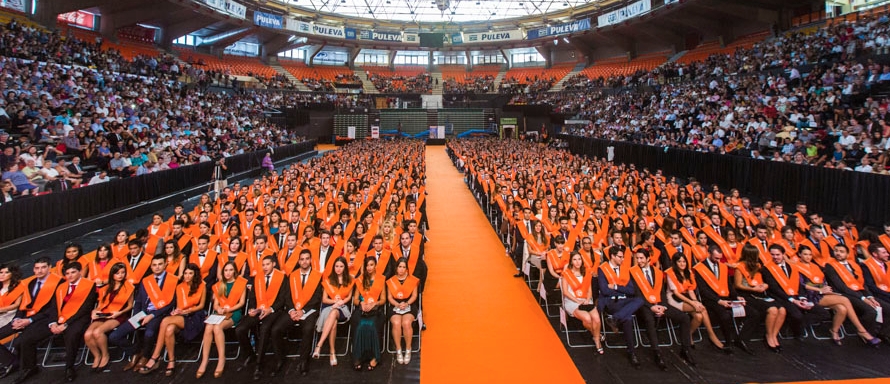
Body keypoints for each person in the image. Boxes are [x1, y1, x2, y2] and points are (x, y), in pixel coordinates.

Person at [14, 262, 96, 383]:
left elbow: (85, 309)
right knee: (28, 338)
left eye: (73, 272)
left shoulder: (89, 285)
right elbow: (54, 307)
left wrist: (66, 324)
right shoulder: (61, 287)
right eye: (67, 273)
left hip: (77, 319)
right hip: (58, 319)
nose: (70, 276)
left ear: (79, 272)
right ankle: (29, 368)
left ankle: (69, 368)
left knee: (72, 335)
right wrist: (52, 323)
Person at [794, 246, 881, 346]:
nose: (808, 257)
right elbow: (802, 284)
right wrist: (820, 289)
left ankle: (834, 331)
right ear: (800, 255)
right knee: (844, 299)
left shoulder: (815, 266)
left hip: (822, 292)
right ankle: (861, 330)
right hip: (809, 295)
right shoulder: (796, 267)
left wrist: (825, 289)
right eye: (805, 254)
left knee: (842, 309)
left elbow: (822, 282)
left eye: (810, 254)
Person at [109, 254, 175, 372]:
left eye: (160, 264)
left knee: (149, 334)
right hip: (143, 313)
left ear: (166, 264)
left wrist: (152, 315)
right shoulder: (146, 280)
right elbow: (138, 301)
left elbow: (170, 304)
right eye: (154, 265)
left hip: (158, 314)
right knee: (114, 336)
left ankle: (145, 356)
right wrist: (136, 315)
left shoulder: (172, 280)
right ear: (151, 266)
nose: (157, 267)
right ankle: (135, 351)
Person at [630, 249, 695, 368]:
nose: (639, 261)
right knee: (650, 320)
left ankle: (685, 350)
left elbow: (662, 292)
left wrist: (663, 306)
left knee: (684, 318)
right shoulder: (633, 272)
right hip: (643, 305)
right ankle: (657, 353)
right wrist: (652, 307)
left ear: (648, 258)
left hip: (660, 304)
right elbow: (637, 294)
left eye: (641, 258)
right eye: (637, 258)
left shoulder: (658, 272)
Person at [0, 257, 63, 378]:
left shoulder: (58, 283)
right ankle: (12, 362)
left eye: (43, 267)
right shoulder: (31, 283)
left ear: (50, 268)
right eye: (37, 268)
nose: (39, 271)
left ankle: (28, 369)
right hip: (25, 318)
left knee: (22, 341)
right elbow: (23, 306)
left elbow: (52, 309)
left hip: (45, 319)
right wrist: (17, 319)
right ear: (33, 269)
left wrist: (29, 320)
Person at [139, 264, 206, 376]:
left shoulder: (202, 285)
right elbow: (179, 306)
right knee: (169, 329)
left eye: (190, 273)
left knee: (165, 321)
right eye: (185, 273)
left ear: (195, 275)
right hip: (182, 316)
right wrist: (178, 311)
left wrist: (187, 311)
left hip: (195, 316)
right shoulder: (179, 287)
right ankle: (171, 361)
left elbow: (201, 306)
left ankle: (155, 357)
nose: (187, 276)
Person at [822, 244, 890, 344]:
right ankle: (867, 335)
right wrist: (863, 298)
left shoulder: (853, 264)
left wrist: (869, 296)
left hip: (860, 292)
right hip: (844, 294)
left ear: (847, 254)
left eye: (841, 251)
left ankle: (882, 333)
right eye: (836, 251)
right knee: (871, 311)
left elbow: (862, 284)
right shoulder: (830, 266)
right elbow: (841, 287)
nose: (838, 253)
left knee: (887, 308)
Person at [694, 245, 754, 355]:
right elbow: (703, 290)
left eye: (720, 258)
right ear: (709, 254)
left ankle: (741, 339)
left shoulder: (722, 266)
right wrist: (719, 301)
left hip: (726, 297)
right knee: (725, 315)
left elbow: (729, 285)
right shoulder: (699, 268)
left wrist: (736, 297)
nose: (718, 260)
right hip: (711, 300)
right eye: (716, 258)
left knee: (753, 313)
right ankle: (728, 342)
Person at [761, 244, 830, 341]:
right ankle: (798, 332)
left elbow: (799, 285)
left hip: (797, 296)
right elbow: (774, 289)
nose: (775, 257)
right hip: (782, 297)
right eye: (773, 255)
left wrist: (803, 298)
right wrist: (793, 300)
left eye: (778, 255)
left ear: (783, 254)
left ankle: (796, 325)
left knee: (824, 313)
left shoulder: (792, 266)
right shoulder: (767, 269)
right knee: (797, 315)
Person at [270, 249, 322, 376]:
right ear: (299, 261)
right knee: (276, 329)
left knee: (308, 329)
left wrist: (303, 311)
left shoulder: (317, 276)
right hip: (292, 310)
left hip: (309, 310)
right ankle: (280, 359)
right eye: (302, 259)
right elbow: (287, 296)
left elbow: (317, 297)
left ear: (310, 260)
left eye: (307, 258)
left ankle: (303, 361)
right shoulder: (292, 275)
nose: (304, 261)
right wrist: (292, 310)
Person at [235, 255, 288, 380]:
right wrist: (252, 308)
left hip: (274, 311)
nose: (265, 267)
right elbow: (252, 296)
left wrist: (271, 309)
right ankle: (250, 355)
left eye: (267, 264)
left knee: (264, 329)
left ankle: (259, 364)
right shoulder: (257, 277)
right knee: (240, 329)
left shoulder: (281, 277)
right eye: (263, 265)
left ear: (273, 264)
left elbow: (283, 299)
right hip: (259, 310)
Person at [196, 262, 247, 379]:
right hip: (220, 312)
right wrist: (218, 308)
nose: (228, 273)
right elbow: (215, 304)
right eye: (225, 270)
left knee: (217, 327)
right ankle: (205, 360)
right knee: (209, 327)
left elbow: (242, 303)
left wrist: (228, 309)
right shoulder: (220, 284)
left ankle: (221, 359)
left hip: (234, 312)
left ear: (234, 271)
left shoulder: (241, 284)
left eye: (230, 270)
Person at [665, 252, 724, 349]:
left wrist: (696, 301)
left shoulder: (688, 272)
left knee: (699, 316)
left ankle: (688, 334)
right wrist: (693, 303)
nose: (682, 264)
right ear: (675, 263)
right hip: (674, 299)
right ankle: (712, 336)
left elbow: (691, 290)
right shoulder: (670, 273)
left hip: (687, 297)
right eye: (679, 261)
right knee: (703, 309)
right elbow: (676, 293)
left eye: (684, 261)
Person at [734, 244, 785, 352]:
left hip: (760, 293)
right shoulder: (740, 267)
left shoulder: (758, 266)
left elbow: (763, 281)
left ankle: (772, 336)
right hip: (747, 294)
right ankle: (768, 338)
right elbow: (738, 285)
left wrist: (765, 286)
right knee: (772, 310)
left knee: (782, 310)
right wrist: (753, 289)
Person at [597, 246, 643, 367]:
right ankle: (631, 352)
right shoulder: (602, 269)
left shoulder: (625, 269)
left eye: (623, 257)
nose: (623, 259)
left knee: (639, 300)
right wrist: (623, 291)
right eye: (620, 257)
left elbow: (632, 290)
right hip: (611, 302)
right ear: (612, 256)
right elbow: (605, 290)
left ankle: (615, 318)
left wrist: (616, 287)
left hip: (625, 302)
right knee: (627, 318)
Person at [84, 263, 134, 373]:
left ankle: (105, 355)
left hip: (117, 315)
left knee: (98, 332)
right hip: (104, 314)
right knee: (88, 334)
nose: (120, 275)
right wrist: (94, 311)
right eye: (117, 273)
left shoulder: (128, 287)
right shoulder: (107, 287)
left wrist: (119, 312)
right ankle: (97, 356)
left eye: (122, 273)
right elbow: (100, 304)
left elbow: (130, 305)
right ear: (112, 275)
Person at [560, 252, 603, 354]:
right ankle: (597, 335)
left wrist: (587, 299)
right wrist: (577, 301)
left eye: (579, 259)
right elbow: (565, 292)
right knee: (587, 319)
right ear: (571, 261)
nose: (577, 262)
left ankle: (597, 341)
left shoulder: (586, 272)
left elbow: (589, 290)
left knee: (596, 319)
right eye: (574, 259)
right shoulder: (567, 274)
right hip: (572, 301)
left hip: (586, 299)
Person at [351, 257, 385, 371]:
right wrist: (361, 303)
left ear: (375, 265)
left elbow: (383, 300)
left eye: (371, 265)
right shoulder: (360, 279)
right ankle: (358, 356)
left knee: (371, 325)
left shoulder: (380, 279)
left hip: (375, 310)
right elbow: (355, 300)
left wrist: (374, 304)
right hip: (361, 310)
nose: (369, 267)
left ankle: (375, 357)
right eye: (367, 265)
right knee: (359, 325)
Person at [385, 258, 417, 365]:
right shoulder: (391, 281)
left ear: (407, 269)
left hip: (409, 304)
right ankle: (399, 350)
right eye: (400, 267)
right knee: (396, 323)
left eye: (404, 267)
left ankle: (408, 349)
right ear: (396, 268)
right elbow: (389, 297)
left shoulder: (413, 280)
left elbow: (415, 296)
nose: (402, 269)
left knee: (406, 323)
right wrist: (397, 304)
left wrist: (407, 304)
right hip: (395, 304)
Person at [0, 264, 24, 329]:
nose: (2, 275)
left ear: (12, 274)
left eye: (6, 272)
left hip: (9, 313)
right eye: (1, 272)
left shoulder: (18, 287)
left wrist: (2, 309)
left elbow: (17, 304)